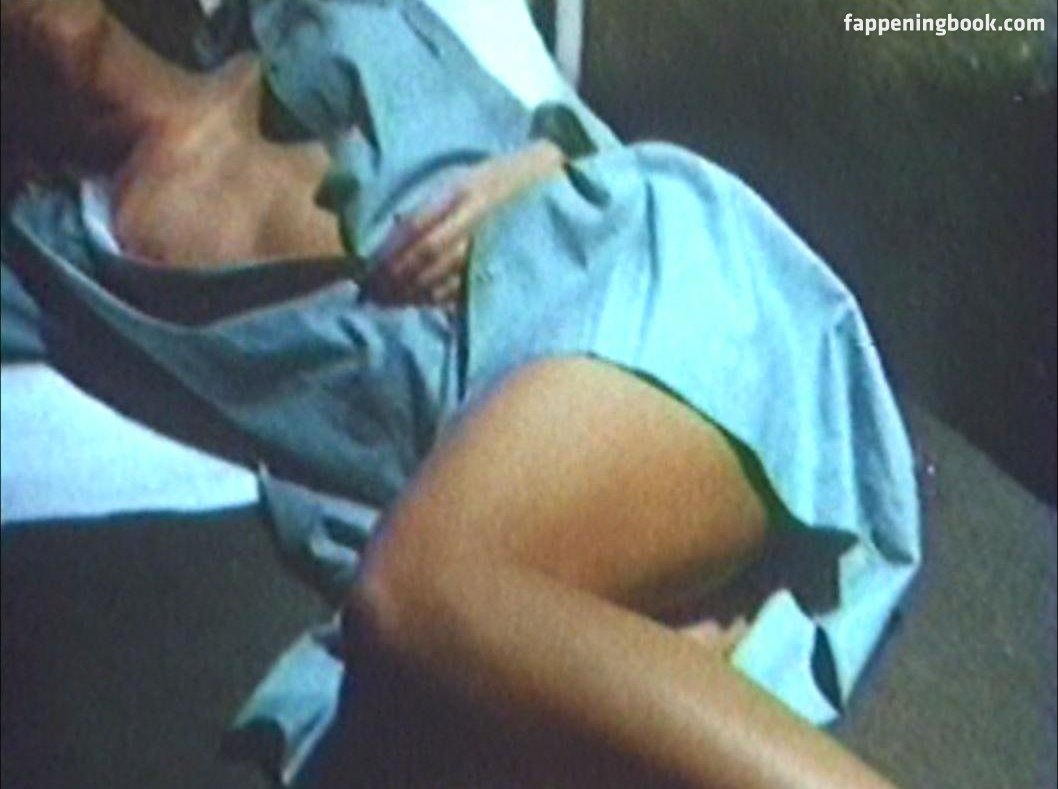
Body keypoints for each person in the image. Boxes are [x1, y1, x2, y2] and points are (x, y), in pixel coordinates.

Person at [1, 1, 920, 787]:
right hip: (507, 456)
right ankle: (620, 624)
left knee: (408, 600)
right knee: (382, 724)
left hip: (625, 278)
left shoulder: (321, 19)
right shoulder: (53, 263)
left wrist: (546, 163)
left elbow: (561, 140)